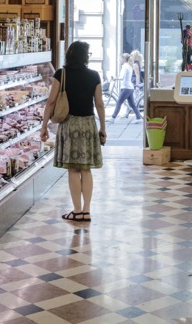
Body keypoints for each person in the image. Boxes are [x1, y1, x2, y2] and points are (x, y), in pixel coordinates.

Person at [41, 41, 106, 222]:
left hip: (69, 125)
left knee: (72, 170)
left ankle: (77, 210)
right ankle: (86, 210)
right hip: (88, 125)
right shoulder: (94, 75)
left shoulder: (61, 74)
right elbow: (99, 104)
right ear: (85, 57)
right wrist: (103, 127)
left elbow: (51, 102)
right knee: (86, 169)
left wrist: (44, 125)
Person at [108, 52, 142, 123]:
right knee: (132, 104)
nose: (120, 60)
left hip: (126, 87)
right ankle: (138, 117)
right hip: (130, 88)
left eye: (120, 58)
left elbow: (121, 77)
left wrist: (114, 78)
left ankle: (113, 118)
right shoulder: (129, 66)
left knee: (118, 102)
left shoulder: (125, 66)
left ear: (123, 59)